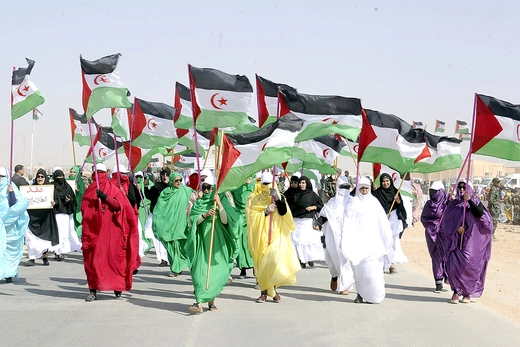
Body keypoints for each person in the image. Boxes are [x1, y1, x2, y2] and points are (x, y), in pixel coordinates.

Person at [81, 164, 140, 301]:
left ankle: (117, 286)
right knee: (93, 262)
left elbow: (120, 206)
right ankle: (93, 290)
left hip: (112, 232)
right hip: (94, 234)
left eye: (101, 173)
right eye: (97, 173)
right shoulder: (89, 192)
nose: (99, 176)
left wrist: (105, 198)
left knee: (114, 260)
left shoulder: (114, 190)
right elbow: (84, 210)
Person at [186, 174, 239, 313]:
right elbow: (192, 221)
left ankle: (211, 302)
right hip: (202, 243)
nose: (207, 191)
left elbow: (228, 221)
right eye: (204, 188)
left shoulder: (221, 199)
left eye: (209, 188)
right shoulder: (198, 203)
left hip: (217, 243)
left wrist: (220, 204)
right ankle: (198, 302)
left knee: (215, 273)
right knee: (199, 272)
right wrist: (205, 215)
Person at [246, 172, 300, 303]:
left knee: (273, 262)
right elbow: (251, 217)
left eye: (269, 184)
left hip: (276, 234)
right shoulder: (255, 200)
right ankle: (266, 292)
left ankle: (272, 289)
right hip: (260, 236)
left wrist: (276, 198)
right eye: (264, 184)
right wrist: (264, 211)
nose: (267, 186)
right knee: (262, 263)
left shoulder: (279, 196)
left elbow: (283, 212)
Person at [340, 177, 393, 304]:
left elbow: (382, 223)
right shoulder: (352, 203)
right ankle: (360, 294)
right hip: (357, 242)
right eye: (362, 188)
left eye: (366, 188)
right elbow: (347, 221)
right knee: (360, 272)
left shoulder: (374, 203)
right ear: (358, 188)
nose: (364, 191)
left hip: (373, 243)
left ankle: (373, 295)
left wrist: (387, 237)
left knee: (372, 273)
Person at [442, 180, 493, 304]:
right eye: (459, 188)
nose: (461, 190)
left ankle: (467, 293)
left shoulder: (476, 202)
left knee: (469, 265)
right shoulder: (454, 204)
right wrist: (456, 228)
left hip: (471, 241)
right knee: (454, 265)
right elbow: (447, 222)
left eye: (464, 187)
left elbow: (480, 214)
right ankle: (456, 291)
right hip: (455, 241)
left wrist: (469, 200)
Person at [319, 175, 354, 295]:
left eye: (347, 187)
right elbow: (324, 215)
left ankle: (345, 285)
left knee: (345, 260)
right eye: (342, 187)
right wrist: (317, 223)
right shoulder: (333, 202)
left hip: (348, 235)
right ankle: (334, 276)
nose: (344, 189)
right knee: (332, 259)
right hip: (333, 235)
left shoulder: (353, 201)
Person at [152, 172, 192, 277]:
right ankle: (175, 268)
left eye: (180, 180)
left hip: (182, 224)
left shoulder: (187, 191)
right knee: (171, 247)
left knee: (183, 246)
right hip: (169, 225)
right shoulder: (166, 192)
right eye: (176, 180)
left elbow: (194, 202)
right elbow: (159, 208)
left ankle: (183, 264)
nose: (178, 182)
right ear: (171, 181)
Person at [373, 173, 408, 273]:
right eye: (383, 181)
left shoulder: (395, 192)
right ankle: (384, 263)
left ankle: (391, 263)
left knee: (392, 242)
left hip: (394, 220)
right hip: (382, 219)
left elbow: (400, 207)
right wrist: (383, 214)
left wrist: (398, 201)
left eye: (387, 181)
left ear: (390, 181)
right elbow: (374, 205)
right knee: (383, 240)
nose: (385, 183)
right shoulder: (377, 192)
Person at [287, 176, 325, 268]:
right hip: (296, 220)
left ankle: (308, 258)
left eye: (303, 183)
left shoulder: (312, 194)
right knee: (297, 241)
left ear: (307, 184)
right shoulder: (294, 194)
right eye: (300, 183)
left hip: (307, 221)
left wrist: (313, 207)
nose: (301, 184)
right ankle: (301, 259)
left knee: (306, 241)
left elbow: (320, 205)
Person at [0, 167, 30, 283]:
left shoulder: (11, 188)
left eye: (1, 177)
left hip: (10, 225)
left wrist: (11, 192)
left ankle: (9, 272)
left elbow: (21, 204)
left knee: (9, 249)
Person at [24, 169, 59, 266]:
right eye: (38, 176)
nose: (40, 178)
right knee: (31, 239)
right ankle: (32, 258)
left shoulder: (50, 189)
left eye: (42, 177)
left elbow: (57, 200)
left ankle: (45, 258)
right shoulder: (30, 189)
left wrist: (54, 203)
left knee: (44, 240)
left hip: (46, 218)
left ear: (45, 178)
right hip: (32, 218)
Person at [421, 181, 448, 293]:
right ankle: (438, 281)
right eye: (431, 191)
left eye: (435, 191)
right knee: (436, 256)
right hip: (432, 234)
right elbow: (424, 218)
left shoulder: (447, 204)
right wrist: (432, 226)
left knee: (446, 256)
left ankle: (447, 274)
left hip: (445, 234)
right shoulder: (429, 204)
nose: (432, 194)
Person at [228, 177, 255, 279]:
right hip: (239, 217)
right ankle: (242, 269)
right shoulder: (236, 185)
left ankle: (255, 269)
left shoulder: (255, 185)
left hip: (252, 216)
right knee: (240, 242)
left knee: (252, 242)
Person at [52, 169, 81, 261]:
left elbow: (73, 200)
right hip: (56, 214)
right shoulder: (52, 187)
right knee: (58, 234)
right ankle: (58, 252)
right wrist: (55, 203)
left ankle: (62, 250)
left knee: (65, 234)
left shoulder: (67, 187)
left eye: (61, 177)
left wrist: (69, 201)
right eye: (57, 177)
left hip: (66, 215)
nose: (60, 179)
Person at [144, 167, 170, 266]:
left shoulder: (173, 187)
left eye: (167, 175)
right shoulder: (157, 186)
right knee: (158, 238)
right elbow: (149, 196)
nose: (165, 177)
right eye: (163, 175)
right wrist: (145, 186)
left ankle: (171, 257)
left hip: (169, 216)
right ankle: (163, 258)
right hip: (157, 215)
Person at [67, 166, 85, 237]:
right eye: (71, 172)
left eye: (74, 172)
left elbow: (83, 193)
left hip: (77, 205)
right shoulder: (67, 180)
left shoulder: (79, 181)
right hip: (69, 204)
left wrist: (77, 190)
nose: (72, 174)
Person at [487, 177, 501, 242]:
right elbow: (491, 199)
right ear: (494, 182)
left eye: (499, 182)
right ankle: (491, 235)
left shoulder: (496, 188)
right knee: (494, 221)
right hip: (494, 208)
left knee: (495, 221)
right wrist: (490, 206)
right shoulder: (493, 189)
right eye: (497, 182)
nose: (498, 183)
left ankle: (492, 234)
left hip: (496, 207)